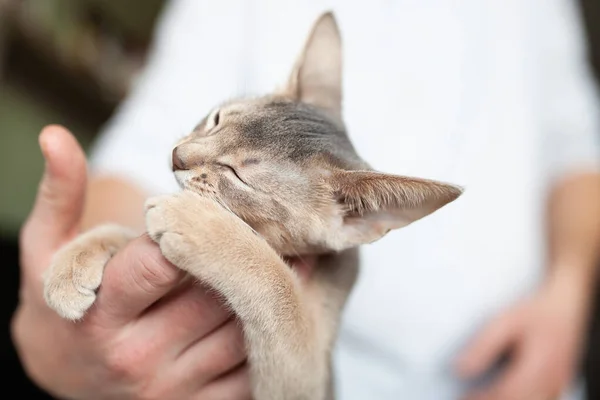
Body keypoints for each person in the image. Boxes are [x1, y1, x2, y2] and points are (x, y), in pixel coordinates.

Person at [12, 0, 600, 399]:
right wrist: (95, 275)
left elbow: (579, 143)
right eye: (215, 121)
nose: (185, 155)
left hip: (509, 377)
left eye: (239, 171)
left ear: (355, 216)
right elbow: (146, 150)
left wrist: (568, 295)